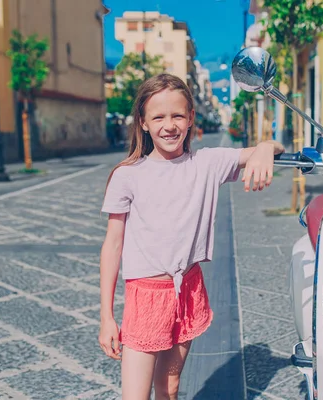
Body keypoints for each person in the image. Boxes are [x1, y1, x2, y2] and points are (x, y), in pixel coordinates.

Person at [98, 73, 284, 400]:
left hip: (188, 288)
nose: (168, 125)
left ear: (191, 119)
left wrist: (266, 147)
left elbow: (272, 148)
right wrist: (106, 317)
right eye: (158, 117)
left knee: (168, 387)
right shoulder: (127, 176)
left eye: (177, 115)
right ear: (142, 122)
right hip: (146, 298)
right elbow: (112, 246)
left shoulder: (206, 163)